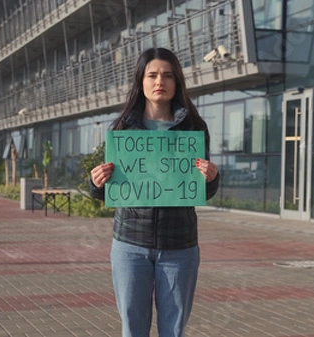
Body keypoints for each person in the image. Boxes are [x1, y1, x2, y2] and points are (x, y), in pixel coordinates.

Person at [89, 47, 220, 337]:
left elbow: (201, 189)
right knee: (132, 328)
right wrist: (96, 182)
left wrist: (211, 178)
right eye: (152, 75)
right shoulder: (122, 128)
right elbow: (108, 188)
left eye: (168, 75)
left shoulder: (194, 128)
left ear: (177, 82)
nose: (160, 80)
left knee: (173, 330)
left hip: (180, 246)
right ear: (141, 81)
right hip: (130, 244)